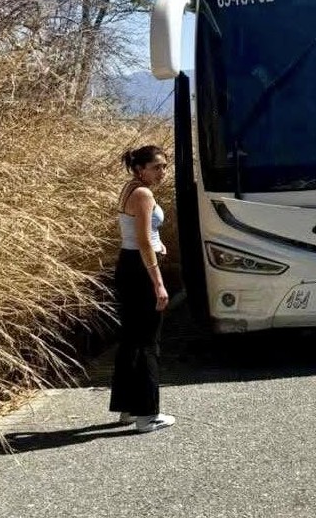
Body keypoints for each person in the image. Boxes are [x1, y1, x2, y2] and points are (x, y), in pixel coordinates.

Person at [108, 145, 175, 433]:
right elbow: (144, 241)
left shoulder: (130, 188)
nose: (162, 172)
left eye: (164, 166)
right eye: (157, 167)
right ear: (140, 169)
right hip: (140, 270)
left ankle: (128, 409)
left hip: (129, 265)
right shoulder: (143, 194)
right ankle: (147, 415)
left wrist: (160, 243)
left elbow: (143, 234)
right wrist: (158, 283)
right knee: (148, 341)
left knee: (131, 340)